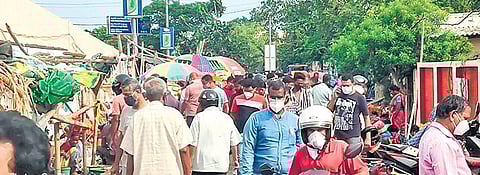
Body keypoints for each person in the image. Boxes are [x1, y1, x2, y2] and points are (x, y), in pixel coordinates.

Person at [121, 78, 193, 175]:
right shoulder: (175, 115)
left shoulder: (137, 117)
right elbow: (184, 149)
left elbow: (130, 153)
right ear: (164, 95)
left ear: (146, 95)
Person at [240, 80, 303, 175]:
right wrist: (246, 173)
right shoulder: (256, 119)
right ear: (267, 97)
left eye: (279, 97)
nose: (276, 101)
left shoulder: (295, 120)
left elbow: (301, 147)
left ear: (286, 97)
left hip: (289, 172)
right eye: (273, 97)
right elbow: (248, 148)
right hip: (261, 172)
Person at [289, 105, 369, 175]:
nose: (315, 134)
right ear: (304, 132)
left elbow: (362, 171)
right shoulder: (301, 153)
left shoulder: (341, 148)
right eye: (311, 130)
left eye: (320, 130)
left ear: (329, 130)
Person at [190, 89, 241, 175]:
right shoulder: (226, 118)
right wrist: (235, 160)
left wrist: (189, 162)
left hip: (201, 166)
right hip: (220, 165)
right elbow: (234, 143)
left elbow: (192, 143)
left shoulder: (199, 118)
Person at [419, 95, 472, 175]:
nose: (466, 123)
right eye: (465, 118)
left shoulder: (435, 135)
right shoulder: (441, 142)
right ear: (452, 115)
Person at [327, 73, 371, 158]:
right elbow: (329, 110)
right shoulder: (338, 95)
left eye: (347, 85)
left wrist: (368, 137)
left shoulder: (359, 97)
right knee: (339, 159)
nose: (345, 88)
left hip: (353, 134)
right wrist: (335, 97)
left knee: (354, 159)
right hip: (339, 134)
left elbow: (366, 117)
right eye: (343, 85)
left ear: (353, 84)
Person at [111, 78, 148, 175]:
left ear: (138, 91)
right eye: (124, 95)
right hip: (126, 161)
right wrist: (116, 163)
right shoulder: (126, 111)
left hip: (144, 162)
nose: (126, 98)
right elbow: (121, 137)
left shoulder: (149, 111)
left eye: (128, 95)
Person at [111, 74, 131, 150]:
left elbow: (116, 119)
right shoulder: (137, 96)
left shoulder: (117, 99)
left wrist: (114, 134)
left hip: (122, 130)